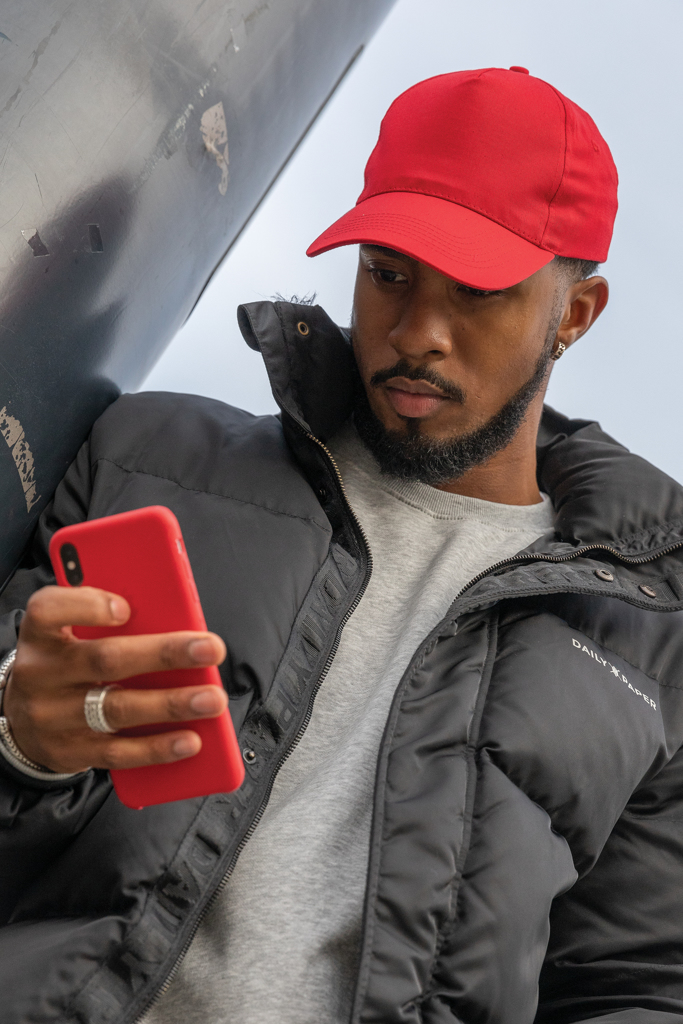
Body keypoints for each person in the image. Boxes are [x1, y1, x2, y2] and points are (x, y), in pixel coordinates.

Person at [1, 65, 682, 1024]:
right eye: (388, 274)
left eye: (476, 291)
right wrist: (22, 743)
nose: (417, 333)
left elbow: (635, 987)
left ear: (573, 314)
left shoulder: (649, 640)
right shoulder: (147, 458)